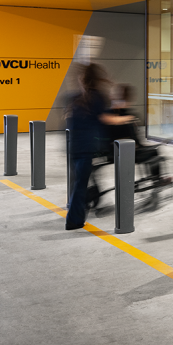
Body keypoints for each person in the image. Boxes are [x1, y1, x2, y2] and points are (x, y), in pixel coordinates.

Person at [64, 64, 135, 230]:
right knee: (81, 184)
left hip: (73, 145)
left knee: (80, 181)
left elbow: (70, 117)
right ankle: (73, 221)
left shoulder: (75, 97)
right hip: (88, 146)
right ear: (97, 79)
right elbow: (107, 119)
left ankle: (78, 214)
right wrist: (127, 118)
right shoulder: (96, 97)